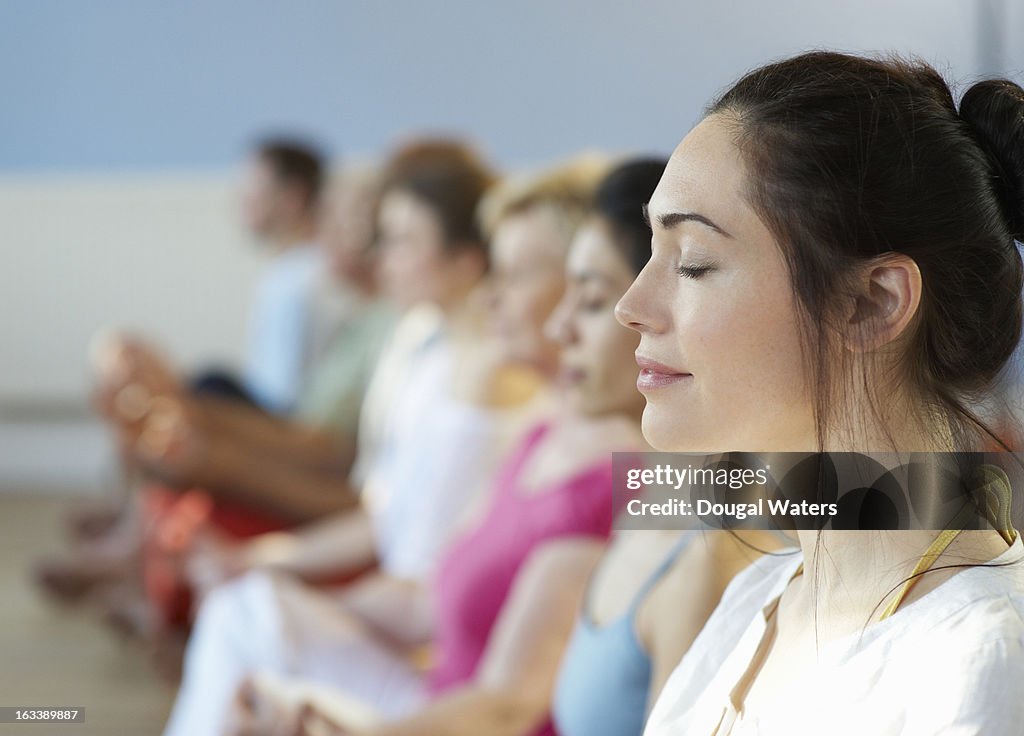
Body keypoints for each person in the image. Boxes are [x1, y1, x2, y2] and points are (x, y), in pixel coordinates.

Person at [609, 52, 1024, 734]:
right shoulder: (758, 601)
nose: (632, 305)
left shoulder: (981, 657)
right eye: (651, 253)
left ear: (872, 304)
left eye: (693, 263)